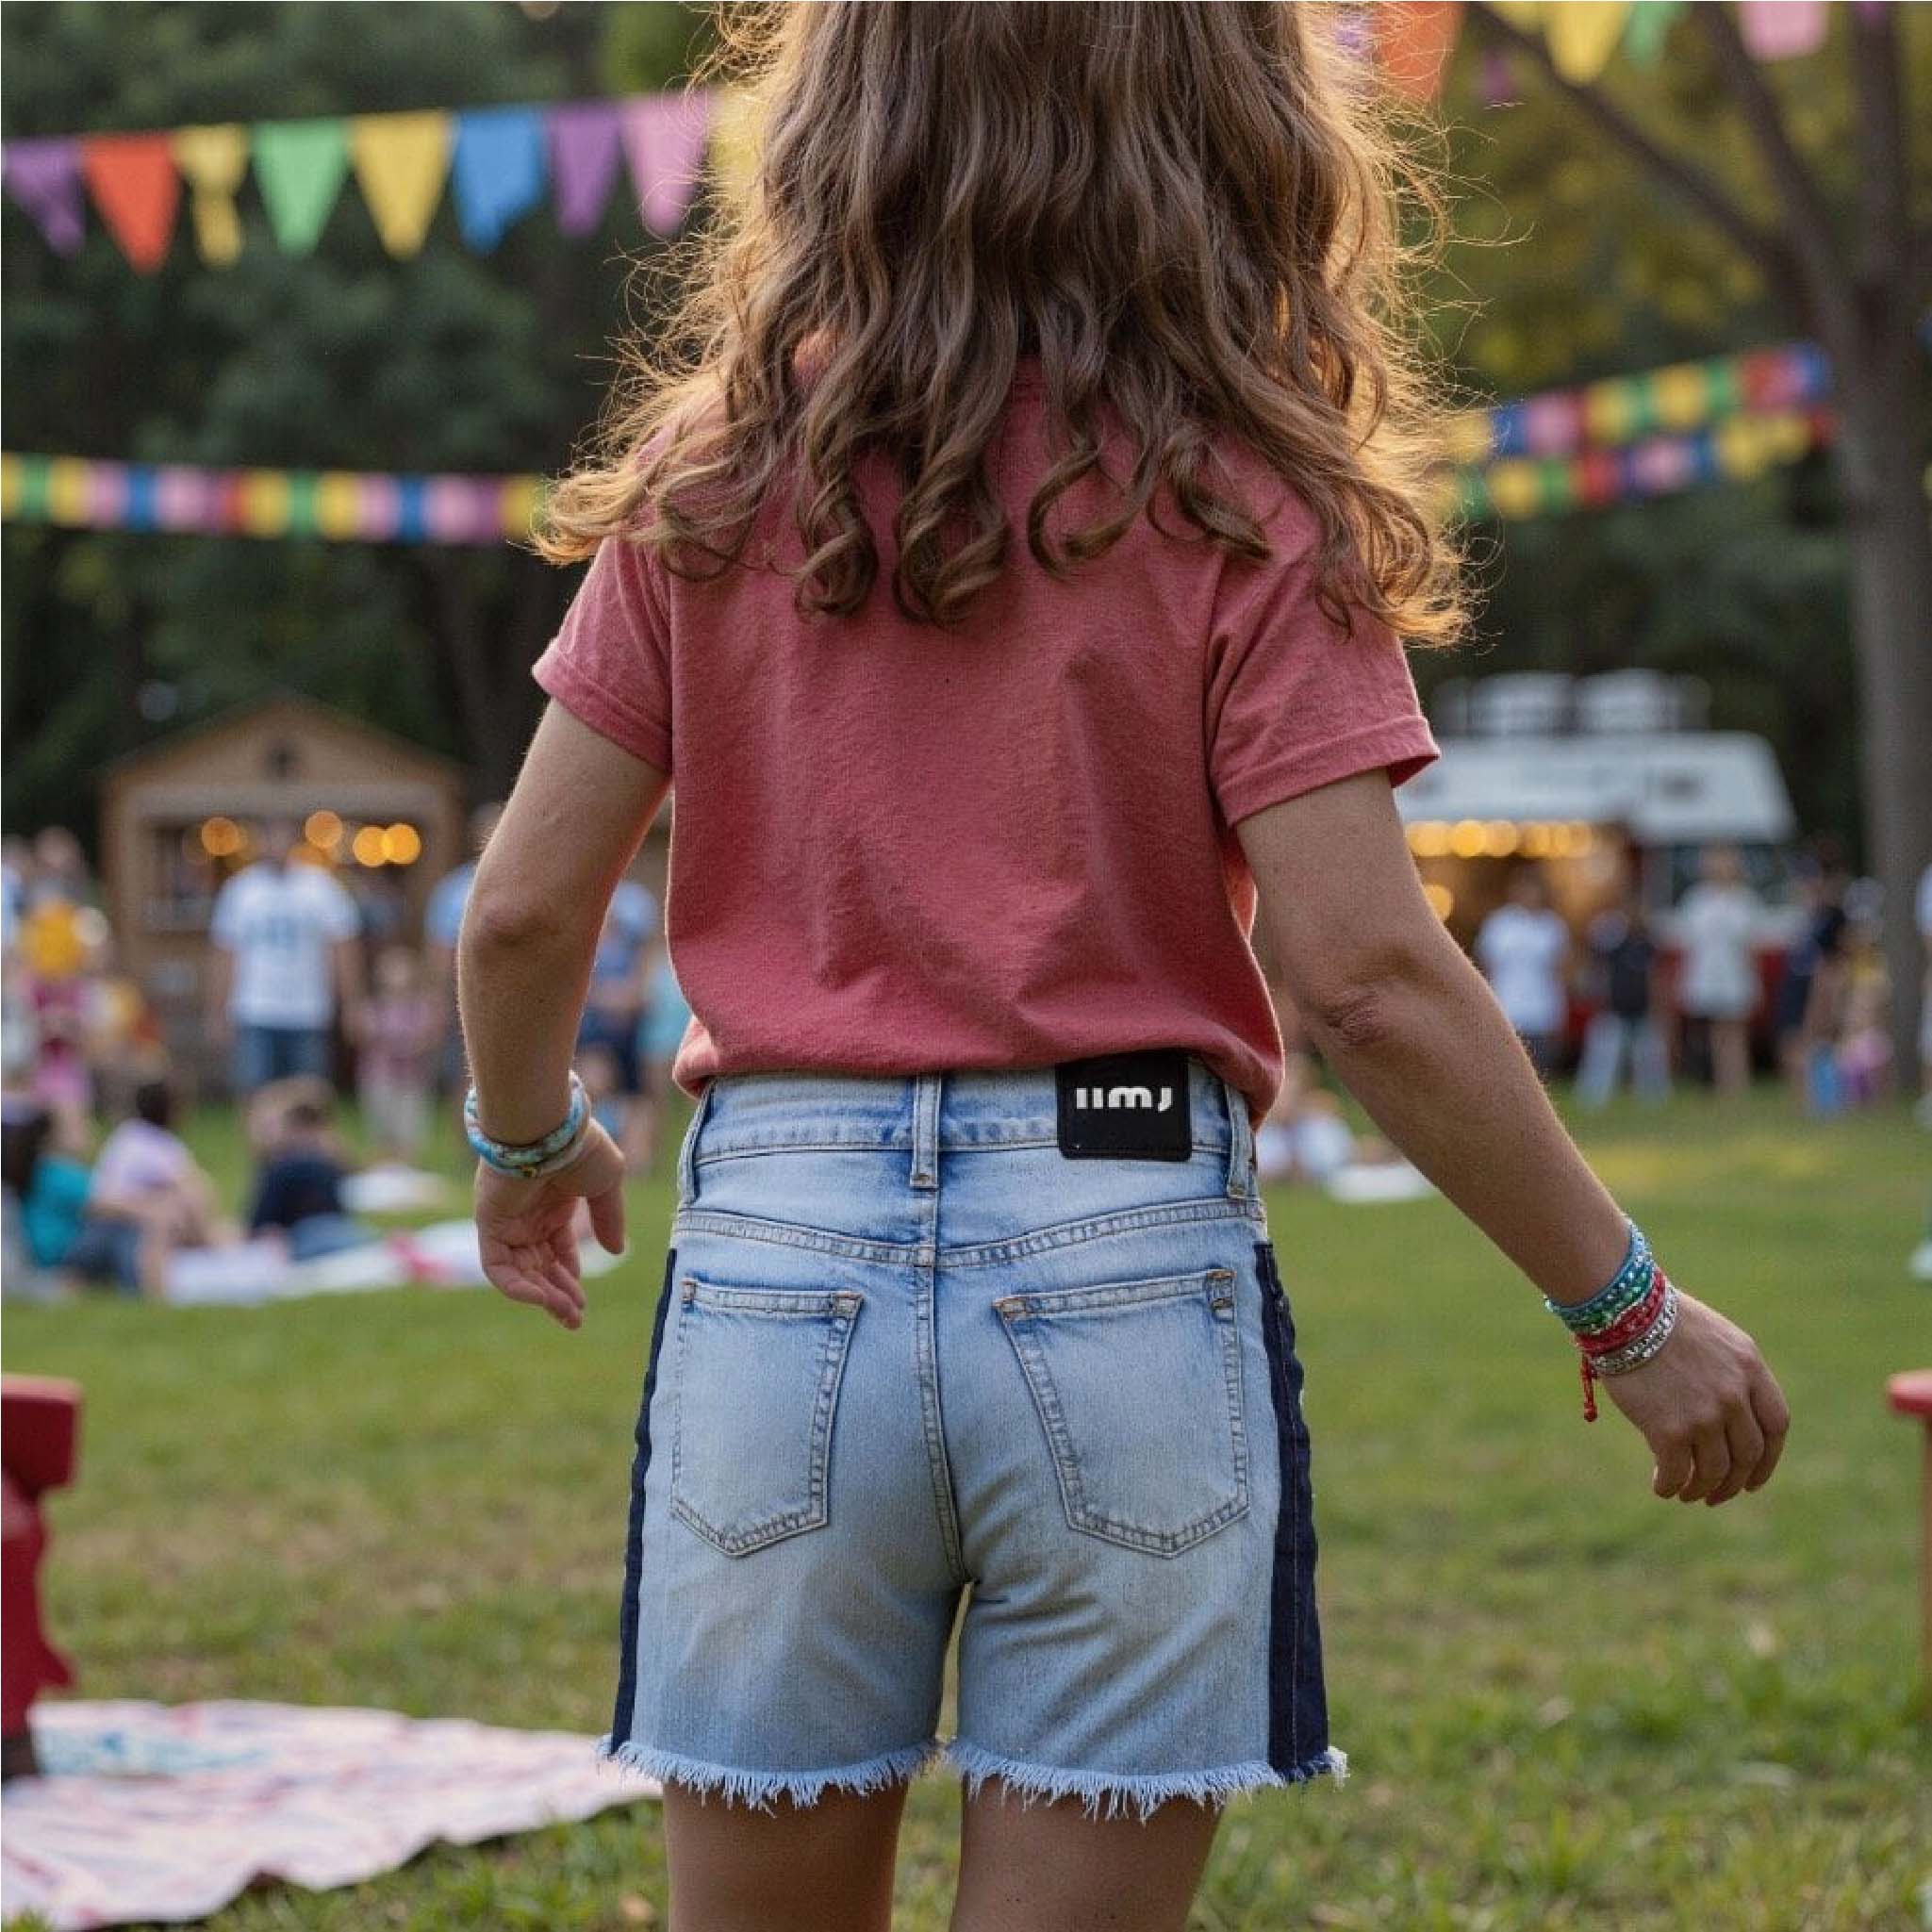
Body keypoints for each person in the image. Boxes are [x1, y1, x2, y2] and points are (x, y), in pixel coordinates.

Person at [454, 11, 1789, 1929]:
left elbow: (517, 906)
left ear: (840, 115)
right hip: (1123, 1238)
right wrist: (1630, 1315)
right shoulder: (1247, 488)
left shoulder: (716, 469)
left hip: (776, 1247)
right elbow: (1367, 980)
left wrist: (523, 1147)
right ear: (1234, 120)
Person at [206, 818, 364, 1095]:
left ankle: (303, 1140)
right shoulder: (240, 890)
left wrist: (352, 1003)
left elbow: (343, 947)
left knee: (309, 1093)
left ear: (294, 841)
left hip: (307, 1009)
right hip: (254, 1007)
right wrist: (217, 1011)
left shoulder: (320, 887)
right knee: (254, 1092)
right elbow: (224, 954)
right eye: (269, 838)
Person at [70, 1079, 230, 1296]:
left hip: (102, 1234)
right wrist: (153, 1209)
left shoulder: (127, 1137)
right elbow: (195, 1190)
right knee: (171, 1214)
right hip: (116, 1236)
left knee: (177, 1209)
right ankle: (162, 1292)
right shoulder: (152, 1144)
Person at [424, 801, 504, 1101]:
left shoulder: (527, 885)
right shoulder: (454, 890)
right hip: (466, 994)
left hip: (513, 992)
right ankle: (467, 1145)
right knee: (465, 1071)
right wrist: (440, 997)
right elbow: (440, 950)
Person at [1675, 845, 1763, 1098]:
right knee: (1713, 1032)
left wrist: (1755, 978)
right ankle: (1717, 1083)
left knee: (1734, 1032)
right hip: (1707, 975)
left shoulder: (1744, 901)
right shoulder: (1696, 900)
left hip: (1734, 975)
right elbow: (1689, 944)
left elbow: (1750, 944)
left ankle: (1737, 1083)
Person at [246, 1077, 366, 1261]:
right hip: (339, 1228)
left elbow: (262, 1219)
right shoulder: (323, 1156)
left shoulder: (281, 1168)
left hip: (304, 1237)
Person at [1474, 867, 1571, 1077]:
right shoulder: (1499, 924)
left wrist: (1560, 1008)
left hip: (1541, 1008)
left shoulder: (1551, 926)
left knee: (1541, 1069)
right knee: (1507, 1069)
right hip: (1507, 1006)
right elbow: (1485, 967)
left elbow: (1560, 971)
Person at [1774, 850, 1849, 1113]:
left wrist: (1826, 999)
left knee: (1815, 1043)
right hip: (1795, 985)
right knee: (1791, 1044)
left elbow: (1833, 962)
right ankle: (1802, 1103)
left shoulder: (1834, 916)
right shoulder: (1802, 916)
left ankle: (1821, 1103)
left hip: (1818, 987)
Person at [1577, 894, 1669, 1108]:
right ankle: (1593, 1098)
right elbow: (1601, 972)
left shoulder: (1648, 943)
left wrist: (1658, 1008)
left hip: (1642, 1009)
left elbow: (1656, 979)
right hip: (1615, 1009)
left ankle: (1653, 1100)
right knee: (1603, 1057)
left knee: (1649, 1058)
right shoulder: (1612, 943)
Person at [357, 945, 441, 1161]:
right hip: (379, 1076)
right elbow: (362, 1034)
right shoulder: (374, 1007)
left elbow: (430, 1036)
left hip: (412, 1078)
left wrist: (413, 1045)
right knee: (382, 1122)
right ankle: (384, 1163)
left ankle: (406, 1163)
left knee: (409, 1123)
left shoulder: (421, 1007)